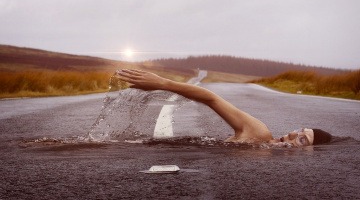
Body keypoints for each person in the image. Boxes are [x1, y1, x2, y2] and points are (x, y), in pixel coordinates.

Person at [117, 69, 332, 147]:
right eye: (300, 130)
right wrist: (163, 83)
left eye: (302, 140)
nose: (294, 133)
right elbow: (212, 99)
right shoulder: (259, 134)